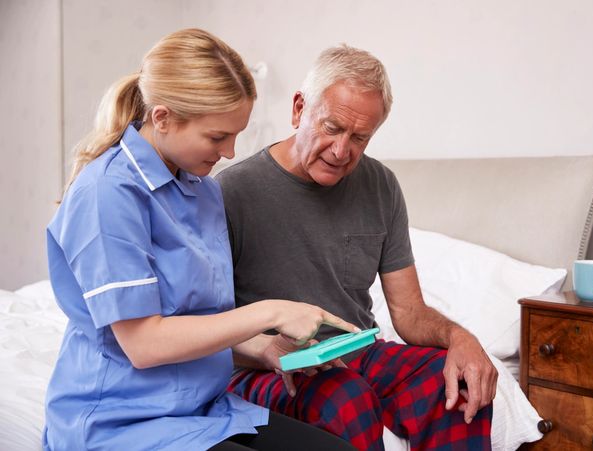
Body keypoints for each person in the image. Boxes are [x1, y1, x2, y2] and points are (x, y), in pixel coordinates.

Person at [43, 29, 358, 451]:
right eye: (217, 137)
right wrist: (272, 311)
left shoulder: (203, 189)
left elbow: (193, 316)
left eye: (235, 135)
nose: (229, 152)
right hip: (120, 422)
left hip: (201, 410)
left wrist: (265, 347)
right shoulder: (108, 193)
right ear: (163, 118)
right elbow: (144, 345)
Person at [216, 45, 499, 451]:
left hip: (356, 352)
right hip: (268, 364)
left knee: (456, 381)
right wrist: (267, 351)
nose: (341, 150)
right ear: (299, 109)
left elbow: (409, 312)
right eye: (332, 127)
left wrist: (460, 338)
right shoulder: (231, 192)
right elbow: (208, 323)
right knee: (345, 396)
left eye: (360, 137)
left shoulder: (381, 186)